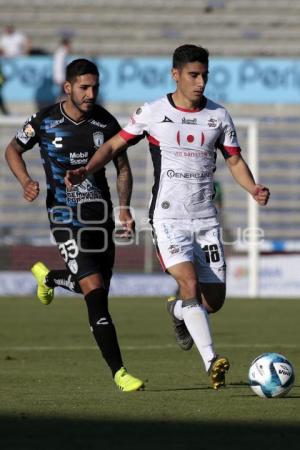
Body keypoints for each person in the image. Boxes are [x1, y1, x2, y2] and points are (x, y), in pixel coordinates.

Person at [65, 45, 270, 390]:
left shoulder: (219, 116)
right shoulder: (154, 111)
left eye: (205, 75)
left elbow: (234, 160)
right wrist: (87, 168)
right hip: (168, 217)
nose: (201, 82)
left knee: (211, 301)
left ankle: (177, 311)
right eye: (193, 75)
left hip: (206, 219)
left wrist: (252, 188)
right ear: (175, 74)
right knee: (188, 283)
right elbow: (115, 145)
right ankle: (211, 362)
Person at [5, 58, 144, 393]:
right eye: (84, 87)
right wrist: (26, 180)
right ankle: (120, 373)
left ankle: (50, 276)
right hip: (64, 216)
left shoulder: (106, 122)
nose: (90, 93)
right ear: (67, 87)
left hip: (100, 216)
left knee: (96, 290)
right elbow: (12, 148)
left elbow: (122, 168)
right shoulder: (45, 120)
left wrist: (124, 209)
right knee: (94, 294)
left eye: (94, 86)